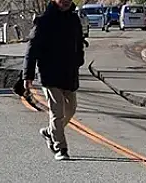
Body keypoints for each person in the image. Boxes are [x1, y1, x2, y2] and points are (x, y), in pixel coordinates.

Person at [23, 0, 85, 161]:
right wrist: (28, 75)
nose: (65, 2)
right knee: (57, 111)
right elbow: (31, 49)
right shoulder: (44, 21)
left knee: (71, 109)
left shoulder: (74, 20)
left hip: (69, 74)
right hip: (49, 74)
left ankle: (50, 132)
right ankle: (61, 148)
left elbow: (79, 43)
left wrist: (79, 60)